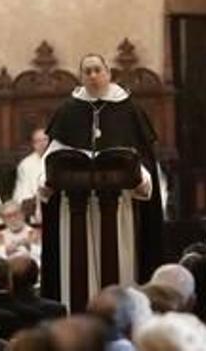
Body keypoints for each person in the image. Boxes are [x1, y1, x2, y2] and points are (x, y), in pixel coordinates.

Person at [40, 54, 164, 304]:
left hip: (119, 206)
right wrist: (45, 180)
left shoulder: (129, 108)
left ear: (109, 72)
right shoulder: (69, 109)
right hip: (73, 206)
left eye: (97, 70)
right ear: (81, 76)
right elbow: (52, 156)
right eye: (87, 71)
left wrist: (143, 179)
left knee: (121, 265)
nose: (93, 76)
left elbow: (143, 158)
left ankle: (118, 312)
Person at [13, 127, 49, 221]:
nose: (42, 144)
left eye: (45, 139)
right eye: (38, 141)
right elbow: (23, 192)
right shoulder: (26, 164)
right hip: (35, 209)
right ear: (33, 144)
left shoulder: (59, 159)